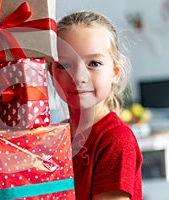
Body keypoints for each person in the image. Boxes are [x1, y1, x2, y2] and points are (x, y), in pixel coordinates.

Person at [49, 11, 143, 200]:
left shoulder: (116, 140)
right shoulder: (55, 137)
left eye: (94, 63)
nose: (78, 76)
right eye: (64, 65)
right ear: (51, 74)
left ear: (115, 73)